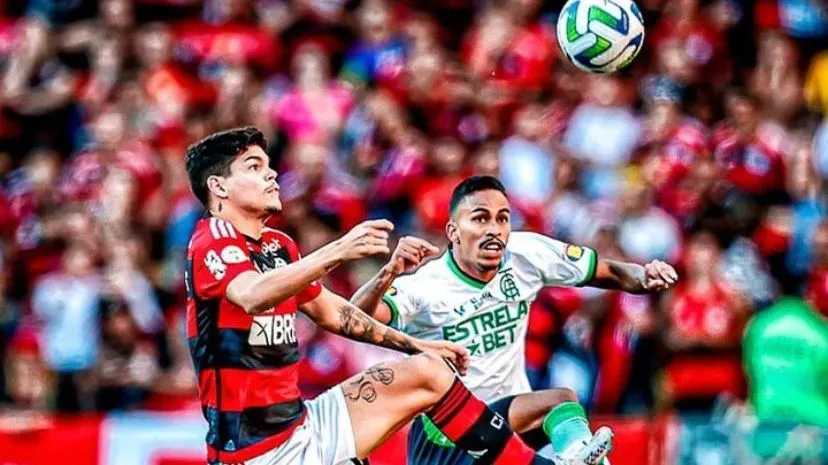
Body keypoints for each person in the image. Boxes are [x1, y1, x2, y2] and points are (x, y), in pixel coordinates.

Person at [183, 127, 609, 465]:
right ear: (219, 187)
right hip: (257, 453)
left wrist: (418, 344)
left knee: (429, 371)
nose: (271, 173)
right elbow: (252, 295)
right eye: (254, 167)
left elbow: (336, 315)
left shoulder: (278, 245)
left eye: (268, 164)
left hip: (304, 422)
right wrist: (339, 250)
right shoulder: (211, 241)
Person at [350, 175, 679, 464]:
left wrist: (643, 275)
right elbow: (355, 319)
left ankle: (582, 459)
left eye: (502, 219)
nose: (494, 230)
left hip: (509, 422)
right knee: (558, 401)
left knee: (560, 403)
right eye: (480, 219)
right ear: (453, 231)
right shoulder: (427, 287)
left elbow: (605, 271)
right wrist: (389, 272)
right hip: (448, 430)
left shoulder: (526, 255)